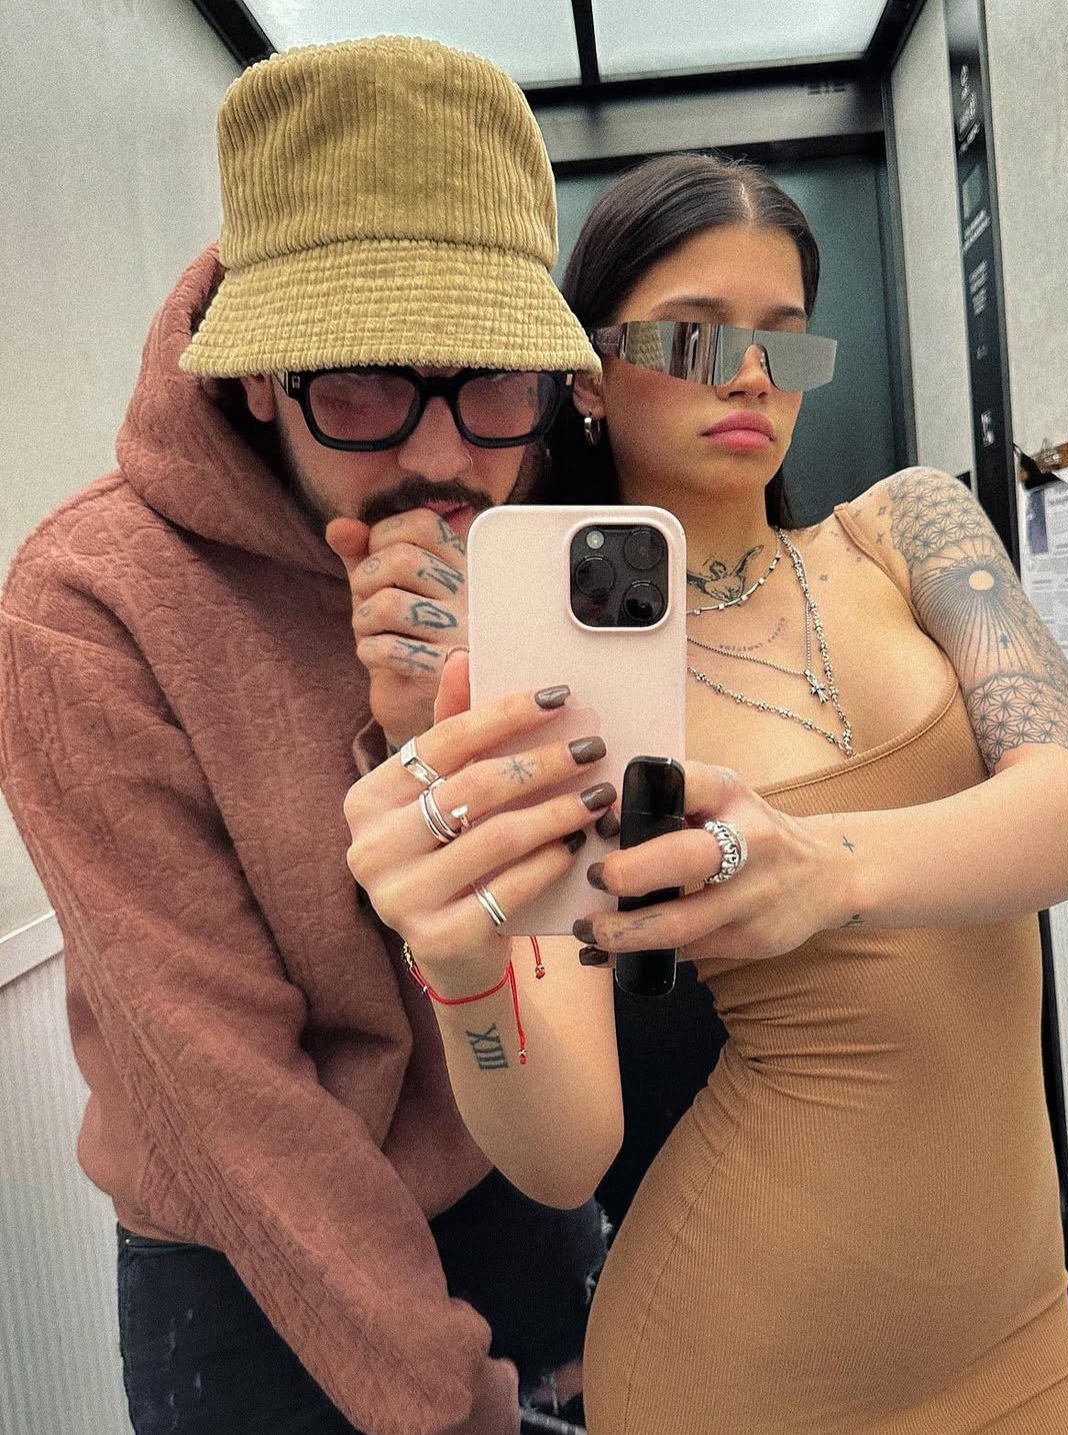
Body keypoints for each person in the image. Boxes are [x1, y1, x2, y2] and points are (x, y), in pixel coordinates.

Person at [342, 153, 1068, 1434]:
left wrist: (821, 873)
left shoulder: (909, 529)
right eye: (695, 337)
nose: (752, 374)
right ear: (588, 373)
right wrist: (466, 965)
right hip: (742, 1357)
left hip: (1022, 1326)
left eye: (782, 338)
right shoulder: (557, 676)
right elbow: (566, 1152)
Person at [0, 37, 612, 1435]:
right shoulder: (87, 601)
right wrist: (446, 1396)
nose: (444, 454)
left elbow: (553, 942)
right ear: (262, 374)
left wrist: (422, 739)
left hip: (514, 1184)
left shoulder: (518, 550)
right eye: (363, 385)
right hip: (245, 1267)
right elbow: (224, 1094)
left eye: (494, 383)